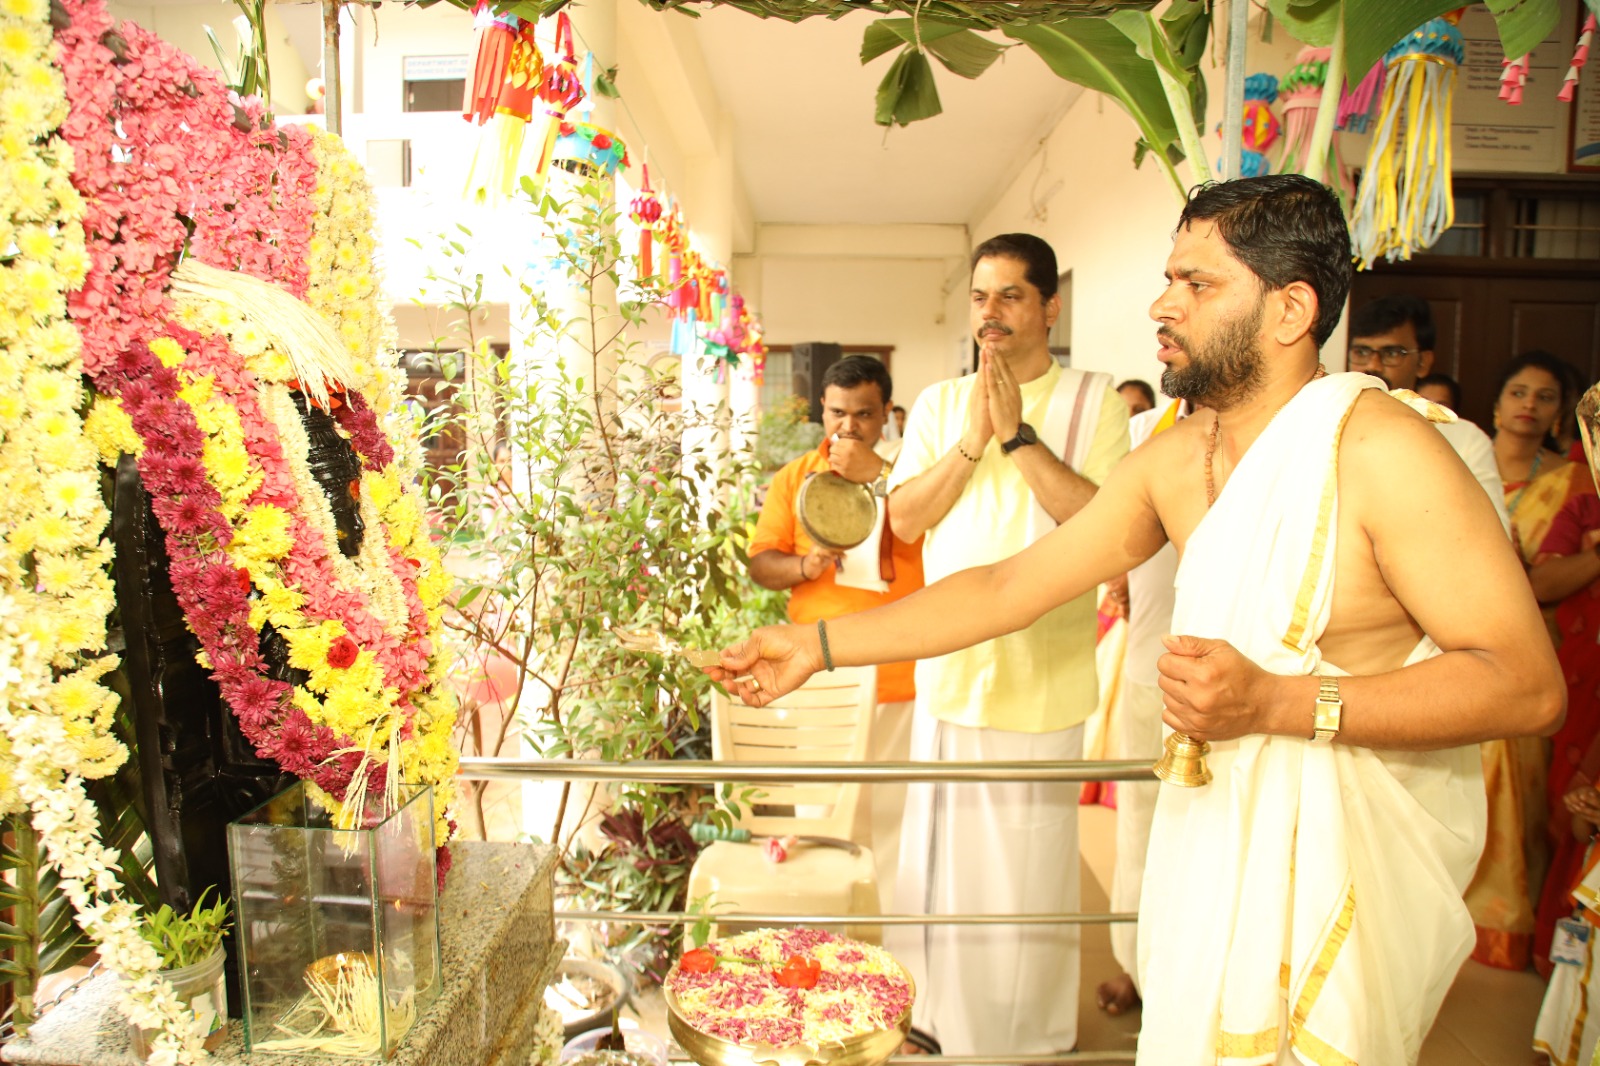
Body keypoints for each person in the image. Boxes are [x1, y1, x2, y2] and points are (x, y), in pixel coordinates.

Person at [710, 174, 1564, 1066]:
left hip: (1338, 869)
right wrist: (813, 645)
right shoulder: (1177, 459)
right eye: (1168, 279)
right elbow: (1006, 588)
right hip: (1213, 836)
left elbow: (1525, 685)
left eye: (1197, 283)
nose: (1164, 305)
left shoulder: (1387, 452)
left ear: (1290, 309)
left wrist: (1277, 703)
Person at [878, 232, 1129, 1057]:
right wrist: (972, 440)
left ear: (1050, 307)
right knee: (939, 869)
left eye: (1011, 296)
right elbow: (905, 519)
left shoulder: (1094, 400)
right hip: (952, 672)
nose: (991, 313)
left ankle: (1023, 1037)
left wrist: (1019, 437)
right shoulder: (940, 402)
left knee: (1025, 877)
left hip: (1042, 680)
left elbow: (1104, 525)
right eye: (980, 297)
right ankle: (934, 1022)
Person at [746, 355, 924, 893]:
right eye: (838, 413)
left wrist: (883, 476)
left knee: (895, 819)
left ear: (886, 412)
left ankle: (892, 927)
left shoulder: (912, 474)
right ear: (822, 409)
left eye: (864, 414)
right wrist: (805, 566)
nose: (849, 426)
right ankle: (824, 929)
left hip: (901, 678)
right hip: (821, 676)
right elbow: (761, 564)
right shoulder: (795, 477)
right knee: (820, 812)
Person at [1095, 396, 1191, 1020]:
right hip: (1147, 668)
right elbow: (1108, 531)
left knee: (1213, 838)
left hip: (1238, 681)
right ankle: (1134, 964)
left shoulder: (1273, 423)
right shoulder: (1143, 430)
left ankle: (1190, 985)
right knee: (1140, 829)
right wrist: (1117, 576)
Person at [1348, 294, 1509, 531]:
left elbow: (1494, 533)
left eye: (1391, 353)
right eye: (1361, 352)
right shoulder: (1324, 425)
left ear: (1423, 362)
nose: (1372, 366)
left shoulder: (1465, 440)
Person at [1530, 478, 1600, 986]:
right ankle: (1563, 976)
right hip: (1583, 685)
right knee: (1576, 819)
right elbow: (1543, 583)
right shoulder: (1586, 509)